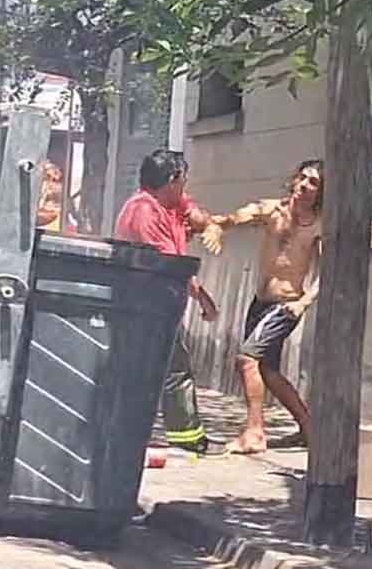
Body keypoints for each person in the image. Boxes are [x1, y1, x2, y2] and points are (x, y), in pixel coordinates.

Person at [200, 159, 323, 454]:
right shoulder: (272, 211)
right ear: (294, 180)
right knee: (267, 370)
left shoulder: (318, 226)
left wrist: (304, 303)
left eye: (314, 183)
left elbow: (328, 271)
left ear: (320, 194)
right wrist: (216, 227)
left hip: (286, 305)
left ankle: (255, 432)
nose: (305, 186)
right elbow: (234, 217)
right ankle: (310, 428)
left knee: (247, 359)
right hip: (261, 302)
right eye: (303, 179)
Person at [114, 149, 224, 456]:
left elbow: (197, 216)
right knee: (172, 370)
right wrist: (205, 300)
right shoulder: (145, 212)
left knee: (163, 369)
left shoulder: (167, 204)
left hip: (160, 304)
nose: (185, 189)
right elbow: (170, 265)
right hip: (145, 304)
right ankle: (185, 437)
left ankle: (143, 434)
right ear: (172, 180)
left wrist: (212, 226)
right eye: (183, 181)